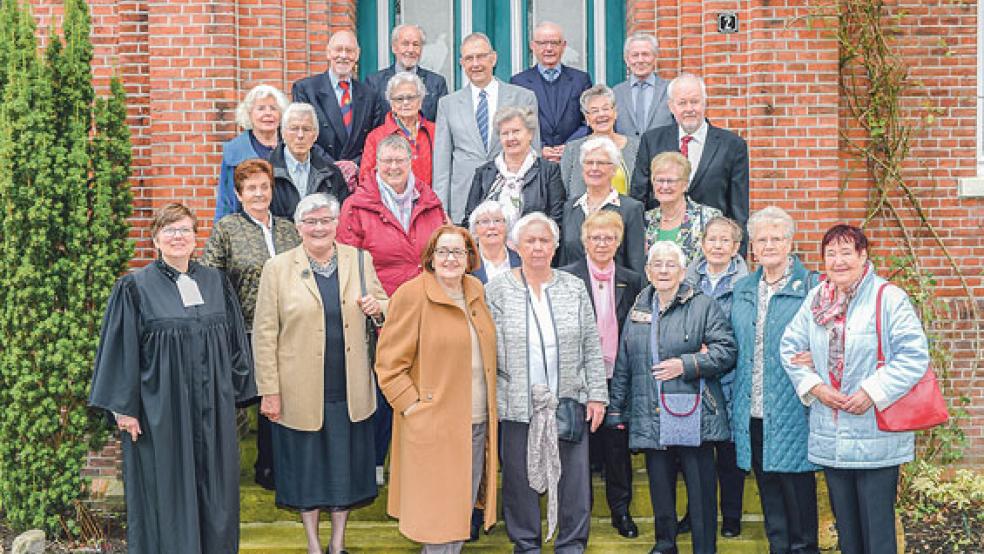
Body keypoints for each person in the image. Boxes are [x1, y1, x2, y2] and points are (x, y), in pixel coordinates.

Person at [89, 203, 255, 554]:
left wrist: (236, 390)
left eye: (184, 230)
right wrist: (124, 409)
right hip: (161, 412)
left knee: (215, 491)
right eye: (169, 230)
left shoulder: (215, 282)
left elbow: (235, 342)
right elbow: (121, 348)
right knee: (165, 490)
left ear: (196, 237)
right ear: (155, 239)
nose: (178, 237)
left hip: (212, 411)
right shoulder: (135, 288)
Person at [781, 224, 929, 554]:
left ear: (863, 256)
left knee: (878, 536)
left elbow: (913, 356)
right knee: (847, 534)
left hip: (875, 432)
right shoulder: (816, 299)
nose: (838, 261)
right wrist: (816, 386)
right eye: (831, 254)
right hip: (831, 434)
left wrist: (872, 392)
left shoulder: (888, 298)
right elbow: (790, 347)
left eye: (846, 252)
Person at [253, 193, 387, 554]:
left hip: (349, 387)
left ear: (336, 224)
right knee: (306, 472)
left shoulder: (359, 260)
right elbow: (264, 333)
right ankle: (313, 545)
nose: (318, 227)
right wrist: (269, 390)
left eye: (326, 220)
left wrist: (378, 307)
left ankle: (337, 544)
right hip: (298, 390)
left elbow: (385, 307)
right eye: (310, 221)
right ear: (298, 227)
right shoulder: (278, 268)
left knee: (344, 471)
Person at [485, 212, 608, 553]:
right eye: (530, 241)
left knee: (573, 479)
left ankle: (572, 543)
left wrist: (597, 395)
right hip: (516, 402)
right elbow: (486, 348)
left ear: (555, 247)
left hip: (567, 398)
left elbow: (591, 343)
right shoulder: (497, 290)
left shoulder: (574, 287)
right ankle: (526, 543)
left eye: (544, 241)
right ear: (516, 246)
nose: (537, 247)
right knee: (519, 479)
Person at [607, 240, 738, 554]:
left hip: (694, 409)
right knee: (660, 486)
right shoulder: (639, 307)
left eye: (671, 265)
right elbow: (624, 361)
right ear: (648, 271)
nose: (664, 270)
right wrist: (616, 410)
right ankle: (665, 544)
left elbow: (726, 351)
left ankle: (704, 547)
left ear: (682, 271)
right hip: (652, 409)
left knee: (701, 489)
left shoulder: (703, 305)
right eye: (657, 264)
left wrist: (686, 364)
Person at [374, 225, 498, 552]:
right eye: (442, 251)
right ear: (430, 257)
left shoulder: (475, 289)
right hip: (433, 424)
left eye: (458, 252)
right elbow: (389, 365)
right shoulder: (411, 295)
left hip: (475, 422)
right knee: (437, 517)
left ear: (469, 257)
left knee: (459, 512)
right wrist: (414, 408)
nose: (450, 259)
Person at [336, 134, 446, 486]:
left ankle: (417, 461)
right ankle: (374, 463)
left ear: (411, 161)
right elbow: (347, 260)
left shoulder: (430, 201)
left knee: (423, 385)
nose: (394, 167)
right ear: (376, 165)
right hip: (379, 311)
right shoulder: (357, 206)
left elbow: (443, 249)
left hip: (425, 308)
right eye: (387, 162)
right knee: (384, 388)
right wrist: (368, 301)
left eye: (400, 160)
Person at [202, 158, 301, 491]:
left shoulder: (288, 229)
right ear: (239, 193)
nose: (259, 194)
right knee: (249, 398)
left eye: (264, 187)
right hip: (244, 327)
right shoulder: (227, 228)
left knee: (280, 398)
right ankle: (232, 471)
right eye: (251, 188)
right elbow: (211, 275)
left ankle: (275, 468)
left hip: (287, 328)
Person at [730, 207, 821, 554]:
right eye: (761, 239)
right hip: (752, 409)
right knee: (769, 492)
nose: (769, 245)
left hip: (793, 408)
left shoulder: (812, 286)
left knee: (797, 491)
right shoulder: (743, 289)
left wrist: (820, 354)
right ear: (752, 248)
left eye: (776, 238)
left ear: (790, 243)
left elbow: (837, 336)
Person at [559, 210, 646, 541]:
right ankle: (576, 513)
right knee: (579, 447)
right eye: (595, 237)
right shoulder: (567, 277)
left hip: (618, 374)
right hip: (578, 375)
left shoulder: (632, 279)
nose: (602, 243)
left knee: (616, 446)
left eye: (609, 237)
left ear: (618, 242)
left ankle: (620, 510)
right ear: (584, 241)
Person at [677, 215, 748, 538]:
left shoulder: (746, 284)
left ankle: (731, 514)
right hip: (697, 375)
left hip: (733, 374)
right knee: (697, 450)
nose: (718, 246)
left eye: (725, 240)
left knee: (729, 449)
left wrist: (718, 348)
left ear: (736, 247)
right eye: (712, 239)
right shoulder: (686, 280)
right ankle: (696, 512)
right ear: (702, 244)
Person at [630, 73, 749, 247]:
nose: (689, 109)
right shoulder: (652, 141)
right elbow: (638, 197)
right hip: (661, 245)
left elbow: (739, 208)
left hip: (713, 247)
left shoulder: (732, 145)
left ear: (705, 103)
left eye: (694, 102)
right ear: (671, 107)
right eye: (682, 103)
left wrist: (737, 254)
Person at [432, 32, 539, 224]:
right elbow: (442, 164)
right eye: (469, 58)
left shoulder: (523, 97)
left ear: (493, 58)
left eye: (481, 56)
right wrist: (441, 210)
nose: (475, 64)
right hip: (463, 200)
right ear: (461, 63)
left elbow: (534, 153)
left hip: (513, 199)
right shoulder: (447, 104)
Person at [461, 106, 566, 228]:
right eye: (505, 133)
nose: (510, 138)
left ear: (530, 134)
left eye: (516, 131)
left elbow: (556, 219)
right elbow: (470, 220)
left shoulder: (549, 171)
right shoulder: (484, 173)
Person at [292, 29, 385, 164]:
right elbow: (302, 135)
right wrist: (334, 167)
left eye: (349, 51)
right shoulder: (306, 89)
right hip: (320, 170)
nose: (343, 55)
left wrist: (354, 165)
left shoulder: (370, 95)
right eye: (338, 50)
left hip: (357, 172)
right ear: (328, 53)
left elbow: (375, 138)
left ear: (357, 55)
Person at [558, 136, 645, 274]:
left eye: (601, 163)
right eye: (589, 162)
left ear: (614, 169)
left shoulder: (631, 209)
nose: (594, 168)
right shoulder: (570, 207)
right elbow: (564, 260)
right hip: (573, 286)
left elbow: (636, 265)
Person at [509, 21, 592, 162]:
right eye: (542, 43)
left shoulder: (581, 80)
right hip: (535, 161)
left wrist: (570, 146)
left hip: (573, 160)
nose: (549, 48)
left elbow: (588, 120)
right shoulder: (519, 82)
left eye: (554, 43)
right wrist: (539, 147)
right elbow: (517, 123)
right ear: (532, 46)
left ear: (563, 46)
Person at [215, 84, 289, 221]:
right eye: (261, 108)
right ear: (249, 114)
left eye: (273, 108)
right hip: (245, 226)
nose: (268, 113)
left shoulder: (292, 146)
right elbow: (225, 200)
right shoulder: (234, 151)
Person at [269, 102, 349, 219]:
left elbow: (342, 216)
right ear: (283, 133)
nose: (300, 135)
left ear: (315, 135)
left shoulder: (332, 174)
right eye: (294, 129)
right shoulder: (266, 171)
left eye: (306, 129)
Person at [560, 84, 641, 199]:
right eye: (594, 111)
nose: (601, 114)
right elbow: (562, 192)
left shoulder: (636, 147)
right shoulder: (573, 149)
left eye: (605, 109)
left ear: (615, 113)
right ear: (587, 118)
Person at [643, 151, 722, 262]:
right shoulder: (645, 220)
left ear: (685, 185)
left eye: (671, 181)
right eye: (660, 180)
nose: (664, 186)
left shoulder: (708, 218)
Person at [360, 72, 436, 187]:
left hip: (430, 197)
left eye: (411, 97)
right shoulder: (376, 137)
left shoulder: (435, 131)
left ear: (420, 101)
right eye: (399, 99)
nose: (405, 103)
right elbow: (365, 179)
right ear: (391, 104)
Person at [365, 24, 449, 122]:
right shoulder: (374, 83)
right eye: (405, 44)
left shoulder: (437, 83)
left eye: (416, 44)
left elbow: (442, 123)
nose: (411, 50)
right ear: (394, 48)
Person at [613, 33, 673, 137]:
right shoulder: (616, 93)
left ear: (655, 58)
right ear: (627, 60)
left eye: (645, 54)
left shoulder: (670, 90)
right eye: (635, 55)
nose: (640, 60)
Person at [468, 199, 520, 283]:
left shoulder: (522, 261)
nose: (492, 226)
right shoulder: (466, 262)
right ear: (474, 229)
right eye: (485, 221)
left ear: (507, 226)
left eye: (497, 220)